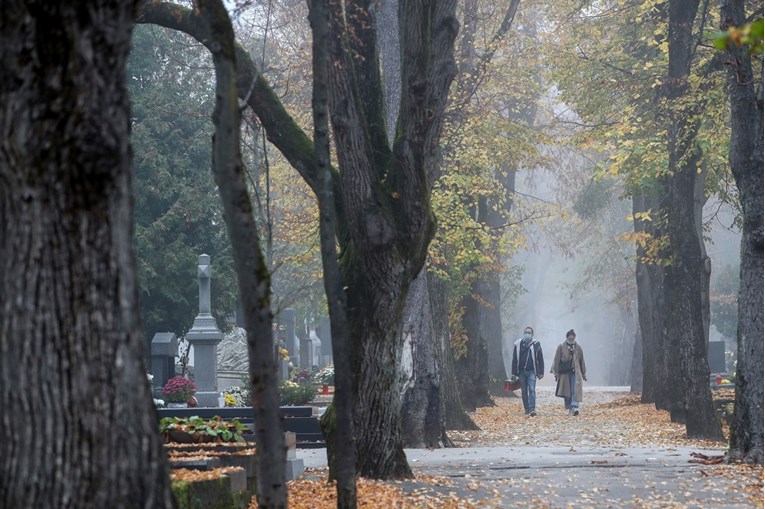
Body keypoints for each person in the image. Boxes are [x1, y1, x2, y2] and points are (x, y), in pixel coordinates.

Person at [511, 326, 544, 416]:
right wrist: (513, 373)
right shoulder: (518, 344)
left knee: (532, 389)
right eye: (526, 332)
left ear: (532, 334)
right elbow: (514, 359)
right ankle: (527, 408)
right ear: (523, 333)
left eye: (529, 333)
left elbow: (540, 359)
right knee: (524, 391)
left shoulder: (536, 344)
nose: (527, 334)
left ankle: (532, 409)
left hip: (532, 371)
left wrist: (541, 372)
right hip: (521, 372)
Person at [552, 329, 587, 416]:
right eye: (569, 338)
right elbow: (556, 360)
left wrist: (584, 374)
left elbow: (582, 361)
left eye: (572, 338)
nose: (571, 339)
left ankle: (574, 406)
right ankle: (569, 407)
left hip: (576, 372)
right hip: (564, 373)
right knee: (566, 391)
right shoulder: (561, 347)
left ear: (574, 337)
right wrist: (556, 374)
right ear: (567, 337)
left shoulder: (578, 348)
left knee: (574, 389)